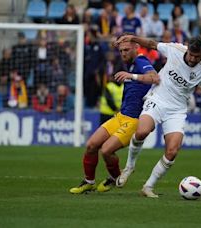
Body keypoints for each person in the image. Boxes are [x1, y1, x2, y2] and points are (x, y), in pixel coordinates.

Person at [114, 34, 201, 198]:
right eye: (191, 54)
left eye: (197, 56)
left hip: (177, 110)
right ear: (187, 48)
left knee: (172, 150)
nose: (192, 59)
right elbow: (152, 44)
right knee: (141, 132)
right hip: (158, 98)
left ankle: (148, 186)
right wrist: (134, 38)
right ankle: (129, 167)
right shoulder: (175, 49)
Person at [69, 34, 160, 194]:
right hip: (120, 116)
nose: (123, 53)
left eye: (126, 50)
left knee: (106, 151)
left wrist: (132, 76)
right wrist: (117, 43)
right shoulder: (131, 62)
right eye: (121, 51)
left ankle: (115, 177)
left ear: (136, 48)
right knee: (91, 145)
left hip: (134, 120)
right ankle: (89, 182)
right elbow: (119, 47)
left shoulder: (141, 61)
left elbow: (155, 78)